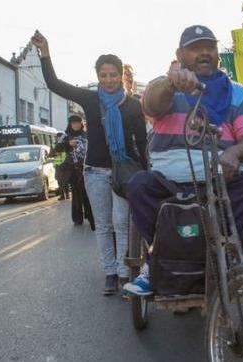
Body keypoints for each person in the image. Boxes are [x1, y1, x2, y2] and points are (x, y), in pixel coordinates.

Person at [122, 25, 243, 296]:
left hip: (219, 179)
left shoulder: (239, 93)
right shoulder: (163, 87)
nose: (205, 53)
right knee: (138, 186)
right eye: (196, 48)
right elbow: (151, 105)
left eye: (210, 47)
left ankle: (227, 253)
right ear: (180, 54)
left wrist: (233, 153)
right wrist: (171, 83)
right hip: (168, 182)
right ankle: (157, 260)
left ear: (218, 54)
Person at [32, 31, 148, 295]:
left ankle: (122, 272)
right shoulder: (90, 99)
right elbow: (54, 84)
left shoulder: (133, 105)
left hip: (125, 172)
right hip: (94, 171)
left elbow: (142, 143)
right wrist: (45, 53)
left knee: (122, 223)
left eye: (113, 74)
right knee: (104, 224)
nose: (108, 79)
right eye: (103, 75)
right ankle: (109, 273)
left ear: (121, 75)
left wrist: (146, 173)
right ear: (98, 76)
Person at [54, 115, 94, 229]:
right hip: (73, 170)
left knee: (88, 193)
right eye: (73, 123)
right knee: (76, 195)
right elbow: (56, 149)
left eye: (78, 122)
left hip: (87, 168)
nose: (76, 125)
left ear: (81, 124)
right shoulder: (66, 136)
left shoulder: (86, 135)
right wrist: (67, 144)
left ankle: (91, 216)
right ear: (70, 124)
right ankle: (77, 218)